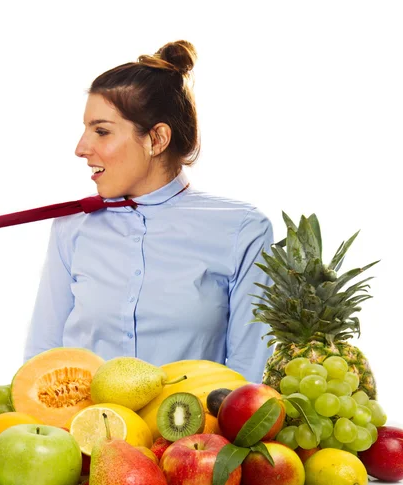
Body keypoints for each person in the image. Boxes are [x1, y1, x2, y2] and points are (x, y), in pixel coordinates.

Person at [23, 40, 274, 383]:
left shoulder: (242, 230)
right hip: (80, 432)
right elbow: (42, 359)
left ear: (156, 139)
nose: (81, 148)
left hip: (188, 434)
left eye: (101, 131)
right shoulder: (72, 226)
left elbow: (249, 377)